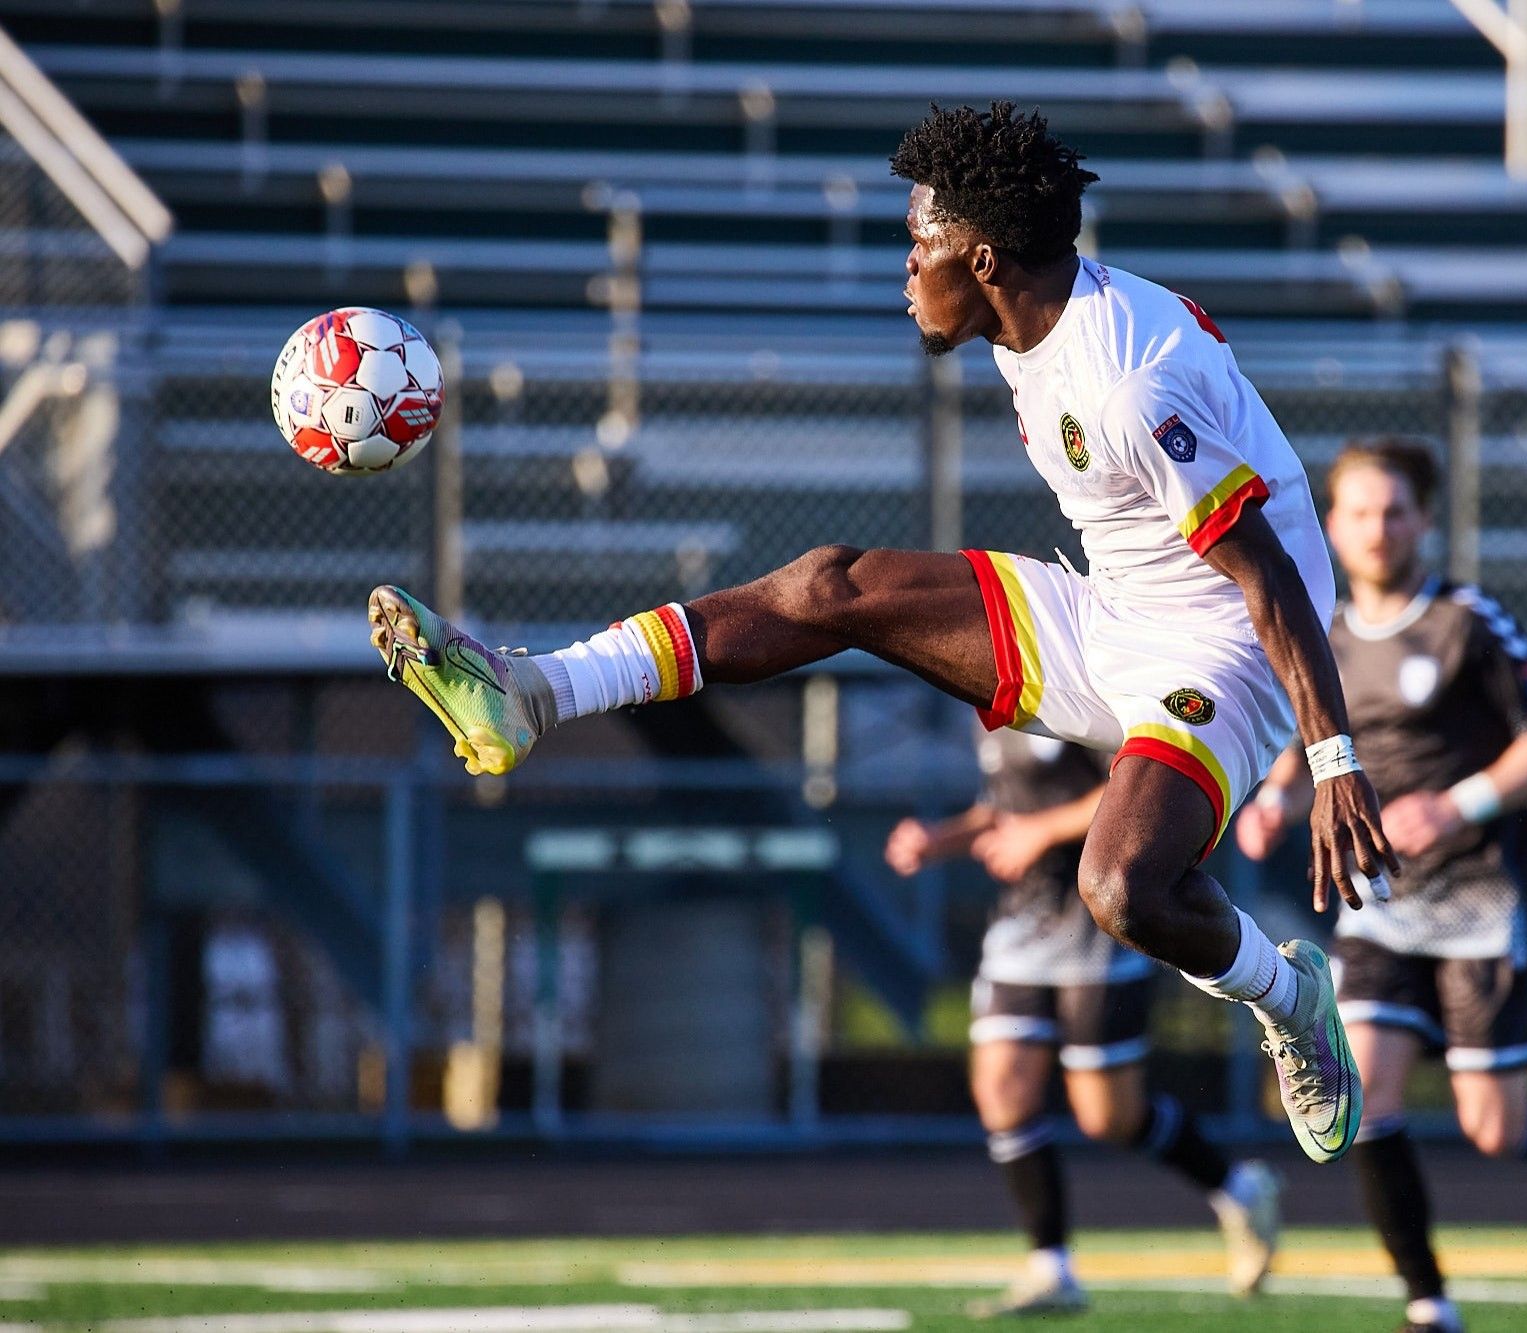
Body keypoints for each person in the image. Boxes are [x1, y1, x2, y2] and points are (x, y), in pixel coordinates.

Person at [366, 102, 1399, 1163]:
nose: (906, 268)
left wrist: (1330, 761)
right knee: (828, 586)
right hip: (1115, 609)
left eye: (921, 245)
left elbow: (1266, 573)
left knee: (1118, 887)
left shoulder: (1126, 383)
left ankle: (1287, 998)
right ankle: (536, 692)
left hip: (1227, 646)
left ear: (984, 258)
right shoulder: (1037, 316)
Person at [1235, 437, 1527, 1333]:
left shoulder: (1469, 621)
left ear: (1425, 521)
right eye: (1359, 511)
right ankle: (1427, 1301)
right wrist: (1278, 795)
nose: (1376, 527)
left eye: (1395, 510)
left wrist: (1456, 803)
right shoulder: (1316, 627)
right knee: (1364, 1094)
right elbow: (1307, 736)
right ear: (1332, 522)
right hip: (1380, 901)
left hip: (1482, 898)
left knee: (1496, 1128)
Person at [885, 723, 1282, 1316]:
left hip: (1096, 927)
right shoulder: (981, 704)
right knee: (1001, 1092)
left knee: (1108, 1117)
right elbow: (1001, 808)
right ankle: (1052, 1269)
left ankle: (1240, 1189)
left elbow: (1134, 792)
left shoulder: (1070, 688)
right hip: (1021, 926)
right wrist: (938, 839)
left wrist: (1040, 832)